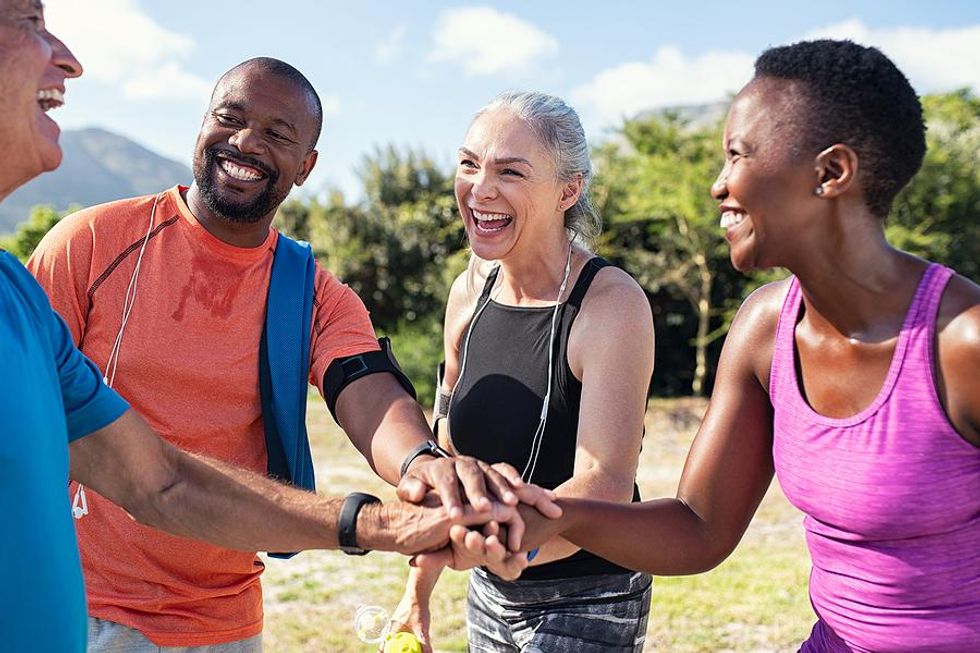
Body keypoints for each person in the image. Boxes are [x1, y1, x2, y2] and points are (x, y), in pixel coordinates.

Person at [0, 4, 549, 653]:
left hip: (227, 621)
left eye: (276, 132)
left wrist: (424, 463)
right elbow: (67, 434)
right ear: (201, 125)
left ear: (307, 164)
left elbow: (365, 387)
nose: (246, 142)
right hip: (89, 609)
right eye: (229, 118)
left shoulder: (309, 291)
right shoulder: (92, 243)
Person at [517, 40, 980, 652]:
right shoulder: (765, 328)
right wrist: (550, 513)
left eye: (737, 155)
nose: (718, 185)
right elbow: (698, 528)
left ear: (831, 173)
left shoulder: (963, 344)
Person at [391, 91, 656, 653]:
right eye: (469, 164)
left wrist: (500, 545)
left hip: (590, 598)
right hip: (489, 590)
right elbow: (448, 458)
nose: (480, 189)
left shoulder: (609, 304)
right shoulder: (467, 294)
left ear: (569, 190)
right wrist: (418, 588)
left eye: (510, 171)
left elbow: (604, 486)